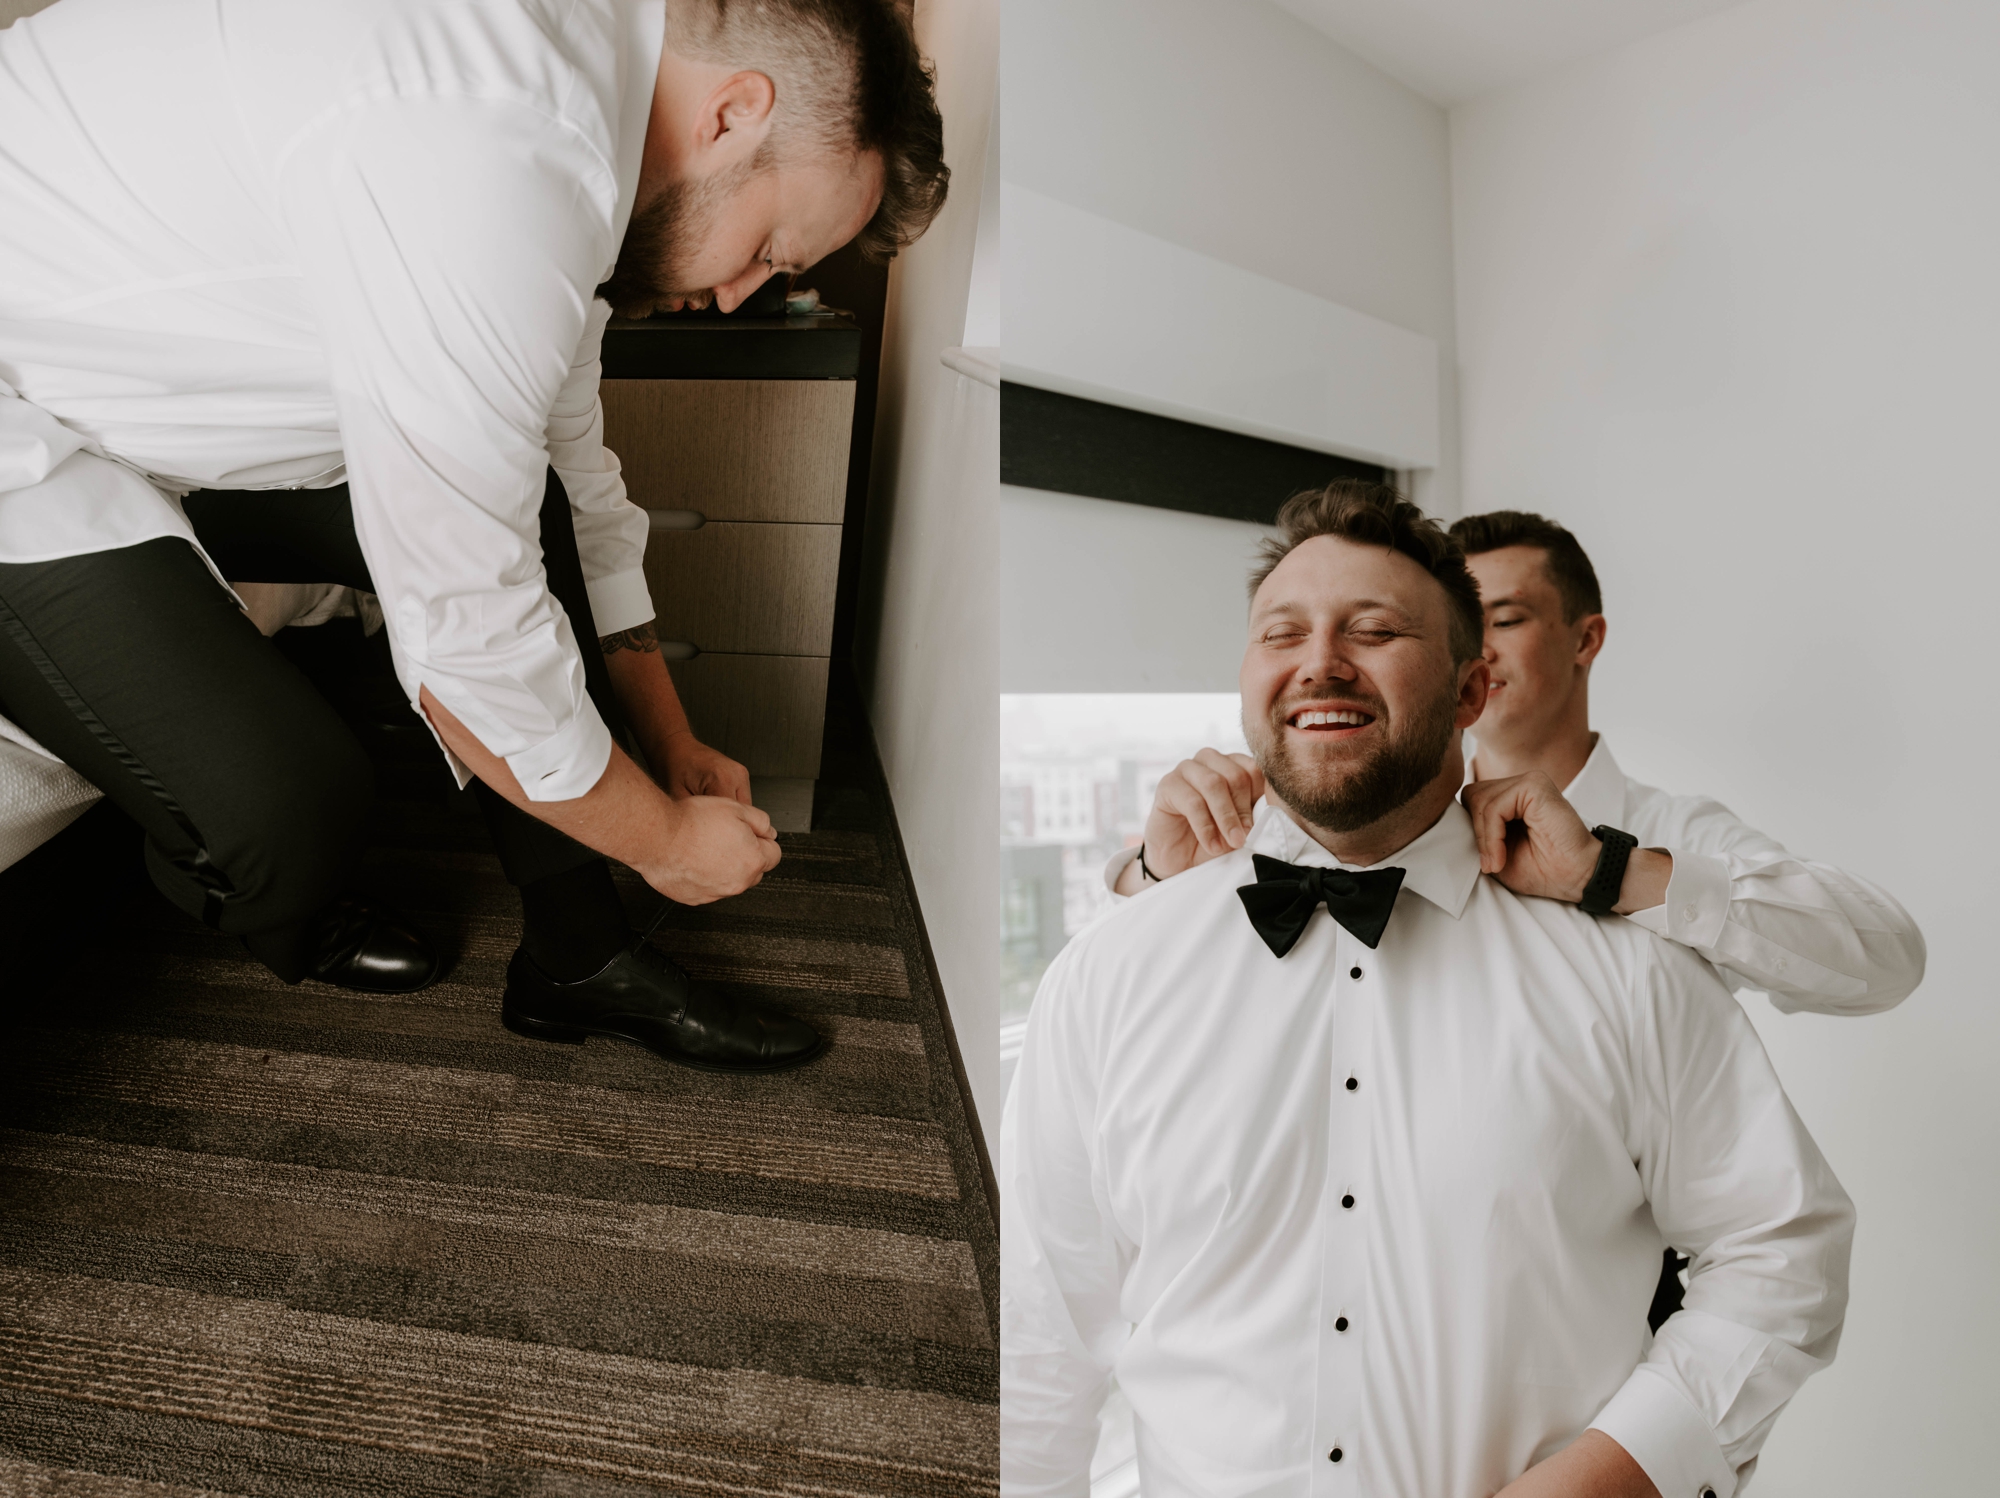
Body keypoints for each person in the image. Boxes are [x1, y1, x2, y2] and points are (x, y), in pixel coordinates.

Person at [0, 0, 946, 1069]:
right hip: (25, 425)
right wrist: (665, 844)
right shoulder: (495, 150)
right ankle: (277, 908)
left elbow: (571, 471)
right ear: (733, 113)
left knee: (524, 487)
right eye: (770, 248)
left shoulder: (581, 113)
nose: (739, 296)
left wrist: (667, 737)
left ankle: (578, 959)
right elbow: (466, 643)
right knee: (290, 811)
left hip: (142, 390)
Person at [1002, 482, 1852, 1498]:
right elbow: (1041, 1328)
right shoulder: (1111, 973)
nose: (1320, 659)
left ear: (1468, 689)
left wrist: (1619, 1472)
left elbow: (1778, 1242)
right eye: (1283, 632)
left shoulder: (1628, 963)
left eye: (1372, 629)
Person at [1111, 511, 1925, 1017]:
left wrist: (1611, 874)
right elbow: (1132, 988)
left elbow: (1885, 959)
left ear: (1584, 639)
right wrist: (1153, 874)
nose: (1482, 650)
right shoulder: (1339, 822)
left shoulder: (1666, 832)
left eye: (1504, 618)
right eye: (1462, 625)